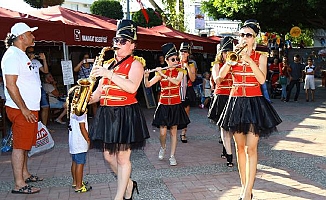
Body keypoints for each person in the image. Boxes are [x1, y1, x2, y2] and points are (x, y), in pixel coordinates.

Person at [217, 19, 282, 200]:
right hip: (236, 101)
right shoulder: (233, 55)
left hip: (254, 102)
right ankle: (245, 187)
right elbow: (220, 78)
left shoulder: (261, 56)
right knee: (239, 148)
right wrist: (230, 63)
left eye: (248, 35)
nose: (244, 38)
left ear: (255, 38)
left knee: (251, 148)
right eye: (242, 34)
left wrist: (249, 61)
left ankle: (246, 193)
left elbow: (262, 80)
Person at [89, 19, 150, 200]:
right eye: (116, 40)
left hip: (125, 113)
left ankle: (119, 196)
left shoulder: (136, 64)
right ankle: (129, 183)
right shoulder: (107, 64)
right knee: (108, 157)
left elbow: (132, 87)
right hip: (107, 113)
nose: (118, 44)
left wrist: (109, 74)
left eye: (123, 41)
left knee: (123, 158)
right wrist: (84, 99)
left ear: (132, 45)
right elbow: (99, 92)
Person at [1, 22, 42, 194]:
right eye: (30, 33)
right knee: (19, 146)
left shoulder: (21, 54)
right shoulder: (12, 56)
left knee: (25, 145)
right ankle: (19, 184)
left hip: (28, 108)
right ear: (21, 37)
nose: (33, 36)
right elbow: (11, 85)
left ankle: (24, 174)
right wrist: (24, 109)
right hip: (21, 109)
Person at [144, 43, 190, 166]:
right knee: (163, 133)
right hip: (164, 105)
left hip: (175, 105)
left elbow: (176, 82)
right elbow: (148, 85)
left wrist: (163, 74)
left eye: (177, 59)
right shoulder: (160, 72)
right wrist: (146, 77)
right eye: (173, 59)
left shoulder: (181, 70)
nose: (176, 61)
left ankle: (172, 156)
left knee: (174, 132)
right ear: (166, 60)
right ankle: (163, 147)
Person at [208, 36, 234, 167]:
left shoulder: (236, 63)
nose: (227, 55)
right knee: (224, 127)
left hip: (233, 97)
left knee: (232, 127)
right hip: (222, 97)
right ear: (221, 53)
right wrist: (228, 66)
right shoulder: (216, 65)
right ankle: (230, 156)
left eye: (229, 52)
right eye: (225, 52)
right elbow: (217, 80)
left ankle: (226, 148)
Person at [67, 86, 92, 193]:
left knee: (74, 161)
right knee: (80, 163)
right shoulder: (81, 110)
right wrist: (88, 139)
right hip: (80, 141)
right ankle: (79, 186)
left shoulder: (71, 107)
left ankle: (75, 181)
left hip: (73, 140)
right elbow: (82, 128)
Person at [26, 46, 50, 125]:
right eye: (30, 52)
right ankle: (32, 125)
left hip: (39, 87)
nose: (32, 54)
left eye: (33, 52)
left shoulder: (36, 62)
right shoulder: (24, 61)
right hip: (29, 89)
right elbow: (24, 69)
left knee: (45, 106)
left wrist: (44, 60)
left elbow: (45, 71)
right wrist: (30, 60)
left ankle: (44, 126)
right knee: (32, 108)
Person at [179, 42, 196, 143]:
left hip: (187, 89)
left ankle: (183, 133)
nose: (183, 54)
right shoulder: (176, 62)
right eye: (181, 51)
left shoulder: (191, 64)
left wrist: (187, 67)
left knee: (186, 112)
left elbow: (193, 78)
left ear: (188, 53)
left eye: (185, 52)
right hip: (177, 89)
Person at [73, 52, 97, 117]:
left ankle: (95, 118)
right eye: (85, 58)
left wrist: (93, 60)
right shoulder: (81, 67)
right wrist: (82, 62)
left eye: (88, 58)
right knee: (82, 103)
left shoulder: (92, 66)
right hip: (83, 87)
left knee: (94, 103)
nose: (86, 59)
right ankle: (82, 118)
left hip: (91, 86)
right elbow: (75, 70)